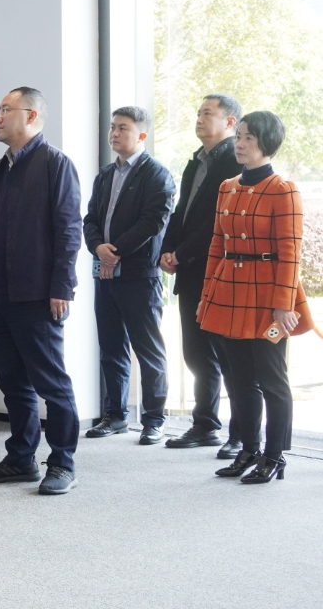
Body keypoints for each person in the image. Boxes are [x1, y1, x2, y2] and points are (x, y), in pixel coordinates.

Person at [0, 87, 83, 495]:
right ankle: (21, 458)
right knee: (13, 382)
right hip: (0, 292)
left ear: (32, 115)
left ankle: (63, 463)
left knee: (52, 383)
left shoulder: (55, 164)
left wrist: (62, 286)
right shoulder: (1, 169)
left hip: (38, 294)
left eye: (6, 109)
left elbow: (69, 229)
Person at [198, 111, 314, 483]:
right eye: (239, 136)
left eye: (249, 137)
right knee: (239, 379)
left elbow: (291, 252)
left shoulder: (283, 189)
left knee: (272, 380)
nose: (240, 143)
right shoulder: (227, 186)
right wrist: (207, 294)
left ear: (267, 144)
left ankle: (274, 456)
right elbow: (217, 245)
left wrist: (283, 305)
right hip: (229, 292)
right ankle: (248, 450)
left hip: (268, 297)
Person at [83, 107, 176, 445]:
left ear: (141, 135)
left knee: (148, 351)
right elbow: (90, 220)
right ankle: (115, 415)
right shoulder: (105, 175)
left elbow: (152, 223)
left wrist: (116, 251)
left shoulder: (157, 175)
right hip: (105, 275)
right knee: (111, 348)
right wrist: (99, 249)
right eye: (112, 127)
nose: (114, 133)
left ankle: (154, 419)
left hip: (140, 276)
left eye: (123, 128)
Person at [160, 94, 244, 458]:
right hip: (190, 271)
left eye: (207, 113)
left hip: (219, 271)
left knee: (229, 356)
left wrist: (181, 253)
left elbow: (216, 221)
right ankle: (206, 424)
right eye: (197, 112)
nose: (199, 118)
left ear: (230, 122)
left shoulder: (235, 160)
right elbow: (181, 211)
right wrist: (167, 249)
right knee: (196, 352)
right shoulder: (195, 161)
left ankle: (241, 434)